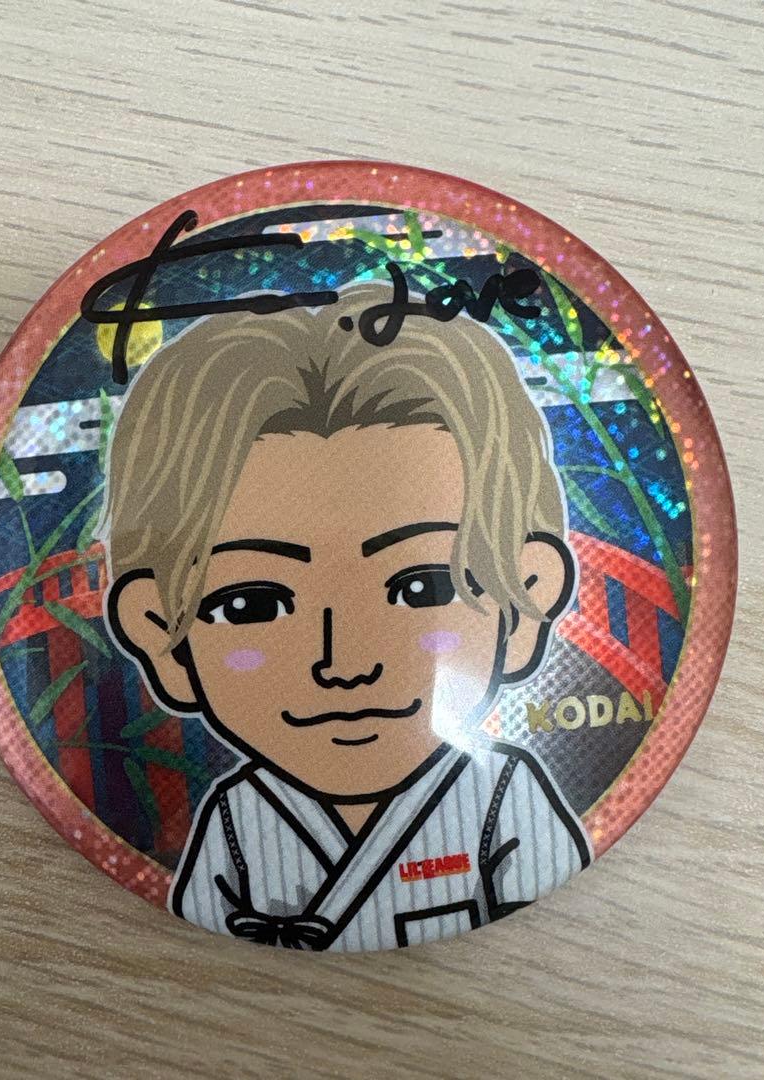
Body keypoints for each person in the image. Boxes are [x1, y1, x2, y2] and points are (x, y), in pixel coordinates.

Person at [102, 282, 591, 950]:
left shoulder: (502, 798)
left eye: (422, 588)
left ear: (527, 599)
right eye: (251, 605)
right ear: (160, 633)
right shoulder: (237, 820)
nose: (345, 664)